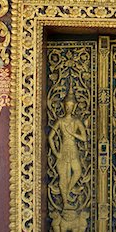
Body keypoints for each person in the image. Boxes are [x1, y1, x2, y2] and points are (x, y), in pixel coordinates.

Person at [48, 80, 86, 208]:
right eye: (67, 105)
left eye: (71, 106)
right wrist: (56, 152)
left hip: (73, 149)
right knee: (63, 177)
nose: (68, 108)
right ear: (64, 106)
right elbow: (50, 137)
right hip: (63, 150)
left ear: (74, 107)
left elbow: (84, 138)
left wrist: (73, 133)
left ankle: (69, 190)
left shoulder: (76, 122)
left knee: (77, 172)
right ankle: (65, 203)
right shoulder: (60, 121)